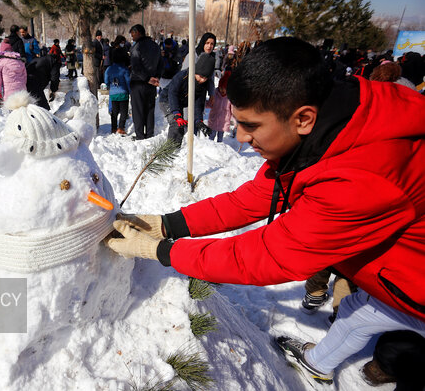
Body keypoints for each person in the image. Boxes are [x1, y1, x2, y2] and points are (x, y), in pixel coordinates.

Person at [105, 37, 425, 385]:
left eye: (251, 126)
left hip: (411, 282)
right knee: (355, 313)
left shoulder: (363, 180)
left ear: (302, 118)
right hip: (383, 267)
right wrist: (167, 224)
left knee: (372, 324)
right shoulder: (329, 125)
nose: (240, 137)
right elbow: (253, 198)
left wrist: (158, 250)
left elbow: (268, 255)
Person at [158, 53, 215, 146]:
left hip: (179, 103)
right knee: (176, 123)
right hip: (167, 99)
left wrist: (199, 121)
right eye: (201, 76)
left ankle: (177, 147)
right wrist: (176, 113)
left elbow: (197, 103)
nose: (202, 80)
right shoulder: (182, 76)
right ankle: (169, 149)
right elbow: (173, 93)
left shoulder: (202, 85)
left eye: (205, 78)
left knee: (181, 126)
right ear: (196, 71)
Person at [129, 24, 162, 140]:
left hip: (138, 82)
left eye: (132, 34)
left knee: (138, 110)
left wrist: (147, 78)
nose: (132, 37)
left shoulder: (136, 47)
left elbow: (136, 67)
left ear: (138, 32)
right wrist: (156, 78)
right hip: (152, 84)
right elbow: (161, 64)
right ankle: (149, 134)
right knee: (149, 109)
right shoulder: (156, 46)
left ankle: (140, 135)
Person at [104, 48, 131, 135]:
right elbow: (128, 81)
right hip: (123, 93)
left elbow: (106, 80)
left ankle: (113, 128)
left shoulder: (109, 69)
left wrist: (110, 87)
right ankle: (121, 127)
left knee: (114, 112)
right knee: (124, 112)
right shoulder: (125, 69)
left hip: (113, 93)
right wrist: (130, 91)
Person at [207, 68, 234, 142]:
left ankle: (219, 148)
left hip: (224, 120)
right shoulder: (215, 93)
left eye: (224, 88)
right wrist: (204, 104)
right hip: (214, 118)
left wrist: (233, 119)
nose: (222, 90)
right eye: (220, 88)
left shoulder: (229, 97)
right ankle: (210, 147)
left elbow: (232, 110)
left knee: (220, 136)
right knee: (211, 135)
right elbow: (210, 104)